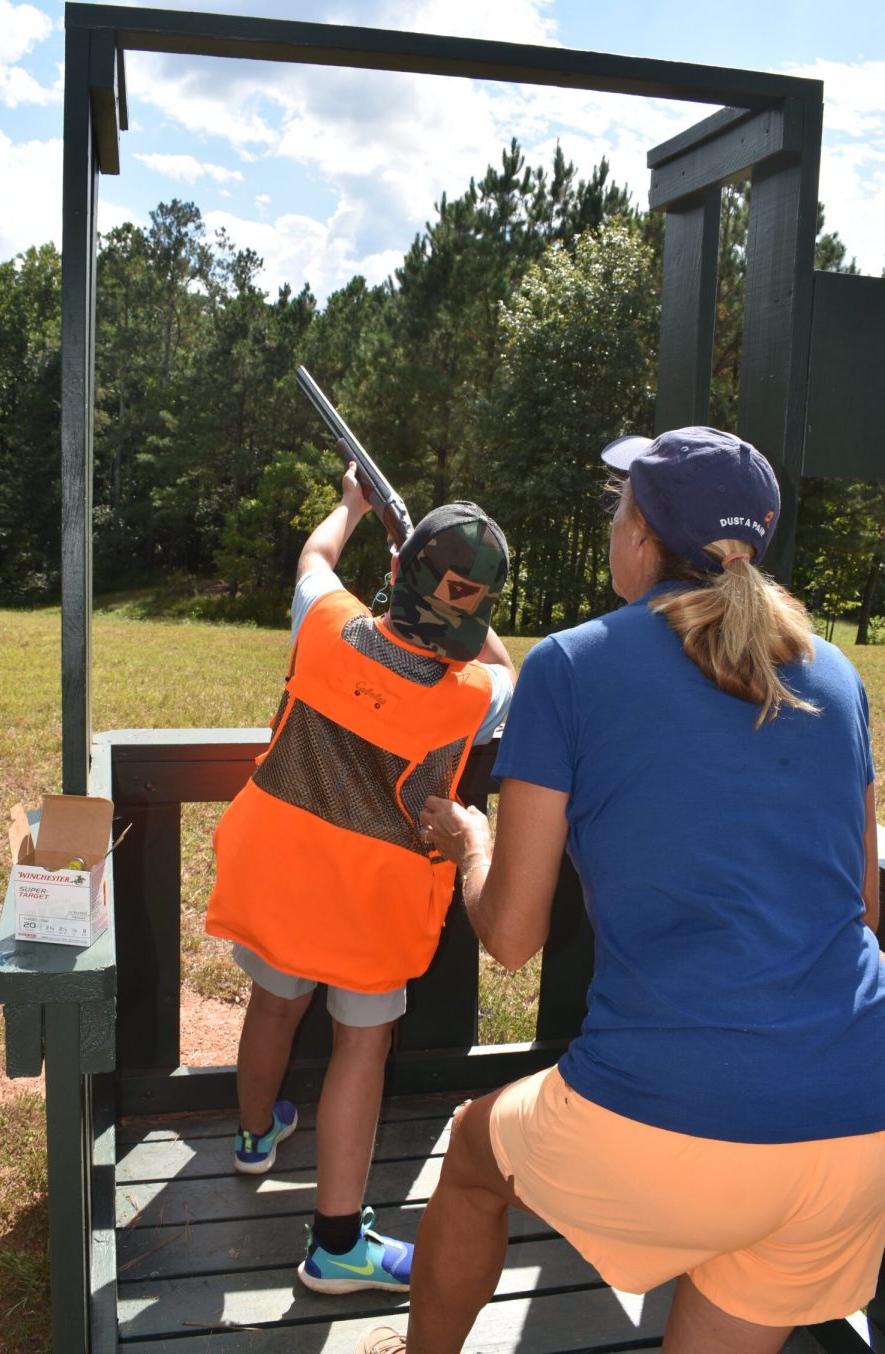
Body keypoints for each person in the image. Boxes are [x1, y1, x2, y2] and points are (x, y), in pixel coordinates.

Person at [355, 426, 885, 1354]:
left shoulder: (571, 665)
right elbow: (867, 912)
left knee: (474, 1155)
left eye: (620, 507)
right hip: (858, 1122)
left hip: (677, 1113)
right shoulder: (839, 677)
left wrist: (473, 845)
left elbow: (512, 937)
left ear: (643, 536)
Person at [206, 461, 515, 1295]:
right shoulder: (475, 691)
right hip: (374, 904)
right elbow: (502, 660)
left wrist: (355, 507)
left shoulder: (327, 622)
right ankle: (337, 1244)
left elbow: (313, 558)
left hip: (280, 872)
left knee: (272, 1005)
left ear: (397, 573)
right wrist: (465, 612)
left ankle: (250, 1138)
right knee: (360, 1049)